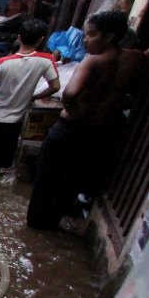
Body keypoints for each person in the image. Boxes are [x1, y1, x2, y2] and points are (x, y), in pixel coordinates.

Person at [27, 11, 129, 230]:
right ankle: (53, 224)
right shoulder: (133, 60)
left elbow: (70, 93)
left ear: (109, 37)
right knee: (70, 182)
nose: (85, 40)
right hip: (100, 133)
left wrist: (73, 109)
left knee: (47, 181)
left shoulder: (93, 62)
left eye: (91, 35)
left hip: (71, 128)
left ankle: (35, 226)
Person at [0, 18, 61, 179]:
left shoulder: (3, 62)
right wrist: (33, 96)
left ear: (19, 37)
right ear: (41, 39)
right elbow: (55, 87)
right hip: (12, 123)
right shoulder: (46, 61)